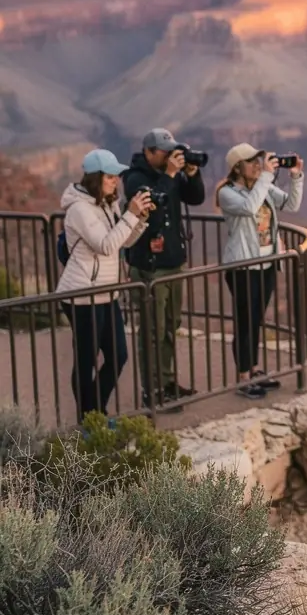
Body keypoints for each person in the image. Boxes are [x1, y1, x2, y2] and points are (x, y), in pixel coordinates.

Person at [57, 148, 155, 421]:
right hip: (81, 295)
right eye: (111, 176)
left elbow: (122, 243)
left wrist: (139, 219)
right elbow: (105, 244)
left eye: (117, 176)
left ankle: (95, 411)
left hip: (106, 293)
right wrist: (130, 214)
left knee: (118, 356)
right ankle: (89, 418)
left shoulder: (106, 203)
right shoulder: (79, 209)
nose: (116, 181)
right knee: (86, 361)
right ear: (95, 177)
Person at [123, 128, 205, 406]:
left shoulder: (167, 176)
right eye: (164, 152)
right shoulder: (135, 179)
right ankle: (152, 391)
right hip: (150, 266)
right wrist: (170, 176)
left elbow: (195, 198)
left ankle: (168, 384)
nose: (170, 157)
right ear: (149, 152)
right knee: (152, 332)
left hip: (172, 263)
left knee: (171, 327)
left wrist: (192, 173)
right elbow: (153, 211)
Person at [216, 143, 304, 400]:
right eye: (252, 162)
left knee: (256, 319)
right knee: (245, 321)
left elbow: (291, 205)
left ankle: (253, 369)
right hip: (242, 266)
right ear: (237, 168)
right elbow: (249, 209)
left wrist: (296, 176)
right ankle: (243, 378)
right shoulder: (227, 193)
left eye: (260, 161)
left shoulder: (262, 187)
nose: (258, 166)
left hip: (267, 263)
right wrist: (265, 176)